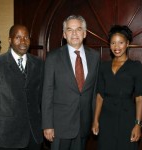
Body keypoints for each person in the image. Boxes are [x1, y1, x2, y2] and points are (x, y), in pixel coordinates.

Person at [42, 15, 100, 150]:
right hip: (59, 126)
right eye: (69, 29)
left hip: (84, 124)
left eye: (78, 29)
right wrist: (47, 124)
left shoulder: (95, 57)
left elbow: (94, 91)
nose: (74, 33)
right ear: (64, 34)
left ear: (84, 33)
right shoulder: (53, 57)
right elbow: (47, 93)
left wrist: (94, 120)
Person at [92, 25, 142, 150]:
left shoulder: (136, 66)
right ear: (109, 45)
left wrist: (138, 124)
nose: (117, 47)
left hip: (127, 117)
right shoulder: (103, 66)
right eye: (113, 43)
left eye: (120, 43)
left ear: (127, 44)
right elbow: (99, 95)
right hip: (106, 117)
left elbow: (139, 98)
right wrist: (95, 119)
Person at [0, 25, 43, 150]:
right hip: (7, 136)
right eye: (18, 37)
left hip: (34, 135)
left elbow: (42, 98)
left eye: (26, 37)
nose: (23, 41)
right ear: (10, 40)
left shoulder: (39, 64)